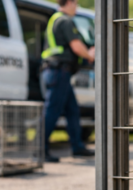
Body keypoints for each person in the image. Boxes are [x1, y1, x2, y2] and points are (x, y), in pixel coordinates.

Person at [41, 0, 95, 162]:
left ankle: (77, 147)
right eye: (76, 4)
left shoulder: (55, 19)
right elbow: (77, 47)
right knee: (52, 111)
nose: (76, 8)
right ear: (70, 2)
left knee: (72, 110)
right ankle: (39, 149)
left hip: (58, 72)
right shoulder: (65, 20)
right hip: (59, 71)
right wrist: (90, 55)